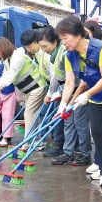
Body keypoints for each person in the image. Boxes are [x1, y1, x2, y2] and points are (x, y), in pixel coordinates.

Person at [57, 16, 102, 187]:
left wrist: (86, 95)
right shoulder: (69, 56)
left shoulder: (100, 48)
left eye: (65, 38)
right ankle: (100, 162)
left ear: (77, 34)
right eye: (61, 39)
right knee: (96, 130)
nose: (63, 43)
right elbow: (69, 82)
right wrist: (63, 104)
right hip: (96, 96)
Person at [39, 26, 91, 166]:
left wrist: (64, 97)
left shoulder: (67, 51)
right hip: (68, 91)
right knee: (68, 122)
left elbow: (77, 80)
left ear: (55, 41)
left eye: (45, 46)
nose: (43, 50)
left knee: (80, 123)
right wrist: (60, 98)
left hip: (81, 90)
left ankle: (84, 153)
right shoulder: (58, 55)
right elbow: (59, 77)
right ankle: (68, 153)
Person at [0, 36, 48, 144]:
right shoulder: (7, 60)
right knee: (33, 115)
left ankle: (27, 142)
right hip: (28, 91)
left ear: (4, 48)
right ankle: (35, 141)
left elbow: (11, 75)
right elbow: (5, 75)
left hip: (37, 87)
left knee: (29, 114)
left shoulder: (18, 56)